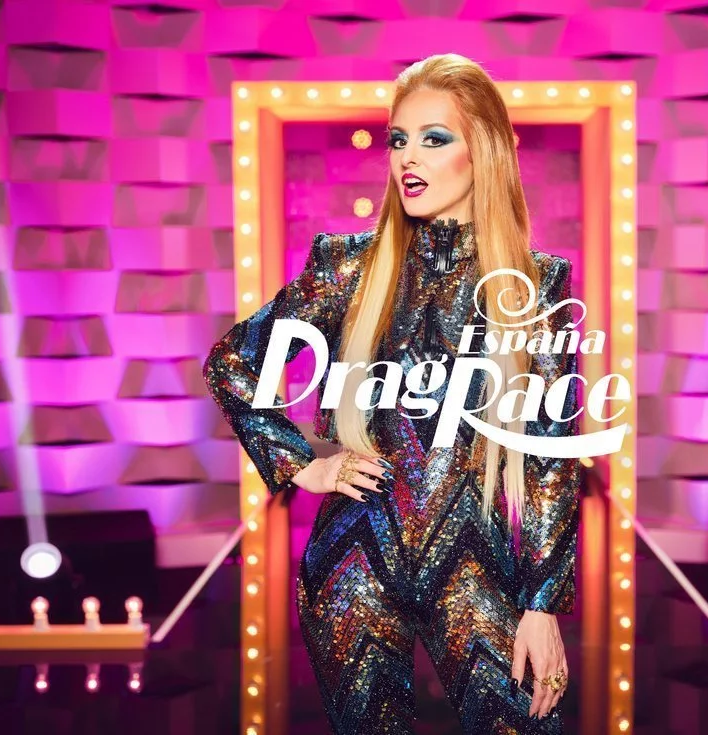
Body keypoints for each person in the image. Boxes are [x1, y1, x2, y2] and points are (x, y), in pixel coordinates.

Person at [204, 53, 580, 735]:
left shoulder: (535, 284)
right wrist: (303, 464)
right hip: (351, 566)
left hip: (473, 563)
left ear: (483, 151)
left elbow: (551, 454)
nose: (409, 156)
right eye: (399, 139)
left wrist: (542, 602)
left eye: (434, 138)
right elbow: (233, 362)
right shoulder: (348, 267)